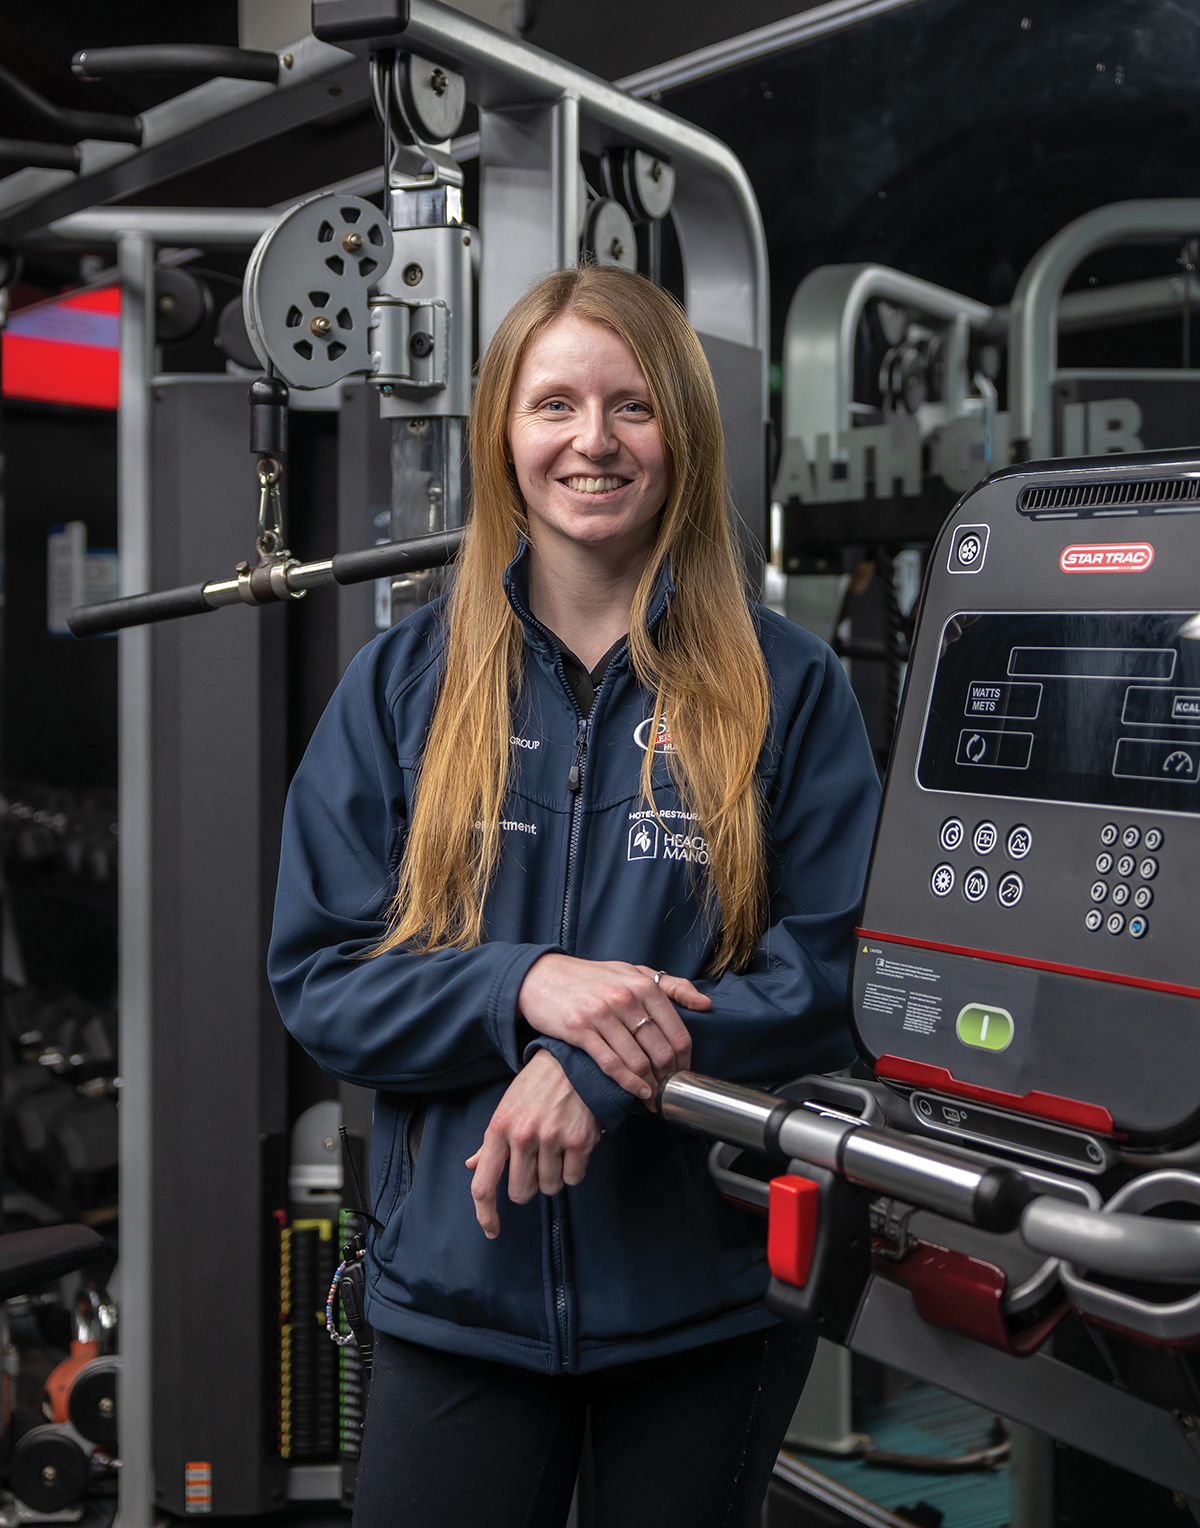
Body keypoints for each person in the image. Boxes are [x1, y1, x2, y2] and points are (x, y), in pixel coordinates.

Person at [268, 265, 880, 1528]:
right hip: (456, 1299)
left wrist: (599, 1071)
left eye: (632, 407)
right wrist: (523, 987)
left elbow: (833, 978)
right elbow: (321, 983)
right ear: (504, 430)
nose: (592, 441)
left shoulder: (789, 688)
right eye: (555, 404)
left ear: (685, 438)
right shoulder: (402, 690)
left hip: (706, 1302)